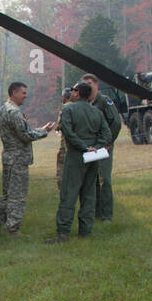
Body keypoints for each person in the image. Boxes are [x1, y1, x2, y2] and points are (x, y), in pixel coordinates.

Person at [0, 81, 54, 237]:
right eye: (23, 93)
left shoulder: (4, 109)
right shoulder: (14, 112)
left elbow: (22, 131)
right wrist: (45, 132)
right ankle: (13, 230)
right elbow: (25, 135)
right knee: (17, 196)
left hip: (9, 158)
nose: (26, 96)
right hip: (18, 160)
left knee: (6, 194)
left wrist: (40, 129)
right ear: (14, 93)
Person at [46, 80, 107, 243]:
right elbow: (106, 134)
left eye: (73, 90)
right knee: (89, 194)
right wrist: (95, 147)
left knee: (69, 193)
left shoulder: (68, 109)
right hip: (93, 156)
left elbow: (67, 130)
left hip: (75, 156)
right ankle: (85, 232)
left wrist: (84, 147)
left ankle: (63, 233)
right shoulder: (97, 112)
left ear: (77, 93)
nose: (71, 93)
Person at [84, 75, 124, 223]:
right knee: (92, 180)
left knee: (104, 180)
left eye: (90, 83)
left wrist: (108, 141)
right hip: (91, 147)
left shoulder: (105, 101)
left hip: (104, 146)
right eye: (85, 84)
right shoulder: (86, 103)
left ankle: (107, 215)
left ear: (96, 85)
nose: (88, 86)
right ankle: (96, 212)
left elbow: (116, 123)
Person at [55, 86, 76, 189]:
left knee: (62, 167)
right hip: (79, 143)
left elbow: (59, 126)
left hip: (66, 144)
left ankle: (64, 190)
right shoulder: (79, 106)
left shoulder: (66, 107)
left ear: (64, 97)